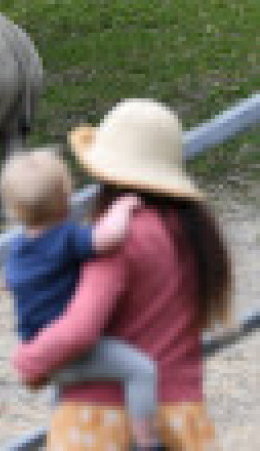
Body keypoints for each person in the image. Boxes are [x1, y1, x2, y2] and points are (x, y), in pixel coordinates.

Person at [13, 98, 232, 451]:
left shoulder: (118, 238)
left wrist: (29, 360)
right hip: (182, 417)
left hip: (105, 422)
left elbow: (81, 329)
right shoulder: (192, 233)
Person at [0, 148, 162, 449]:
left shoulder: (20, 247)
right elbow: (108, 237)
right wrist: (122, 207)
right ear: (66, 196)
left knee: (66, 398)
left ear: (14, 208)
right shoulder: (65, 238)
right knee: (142, 370)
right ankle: (148, 441)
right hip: (71, 348)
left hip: (40, 349)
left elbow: (7, 282)